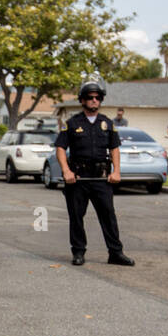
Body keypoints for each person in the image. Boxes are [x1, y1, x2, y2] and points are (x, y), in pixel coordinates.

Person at [55, 79, 132, 267]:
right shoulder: (72, 123)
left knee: (108, 216)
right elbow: (60, 148)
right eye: (90, 97)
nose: (94, 100)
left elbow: (114, 149)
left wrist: (117, 172)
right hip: (78, 178)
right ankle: (78, 252)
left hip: (101, 178)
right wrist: (66, 171)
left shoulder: (107, 123)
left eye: (98, 97)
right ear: (82, 100)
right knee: (76, 216)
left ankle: (115, 252)